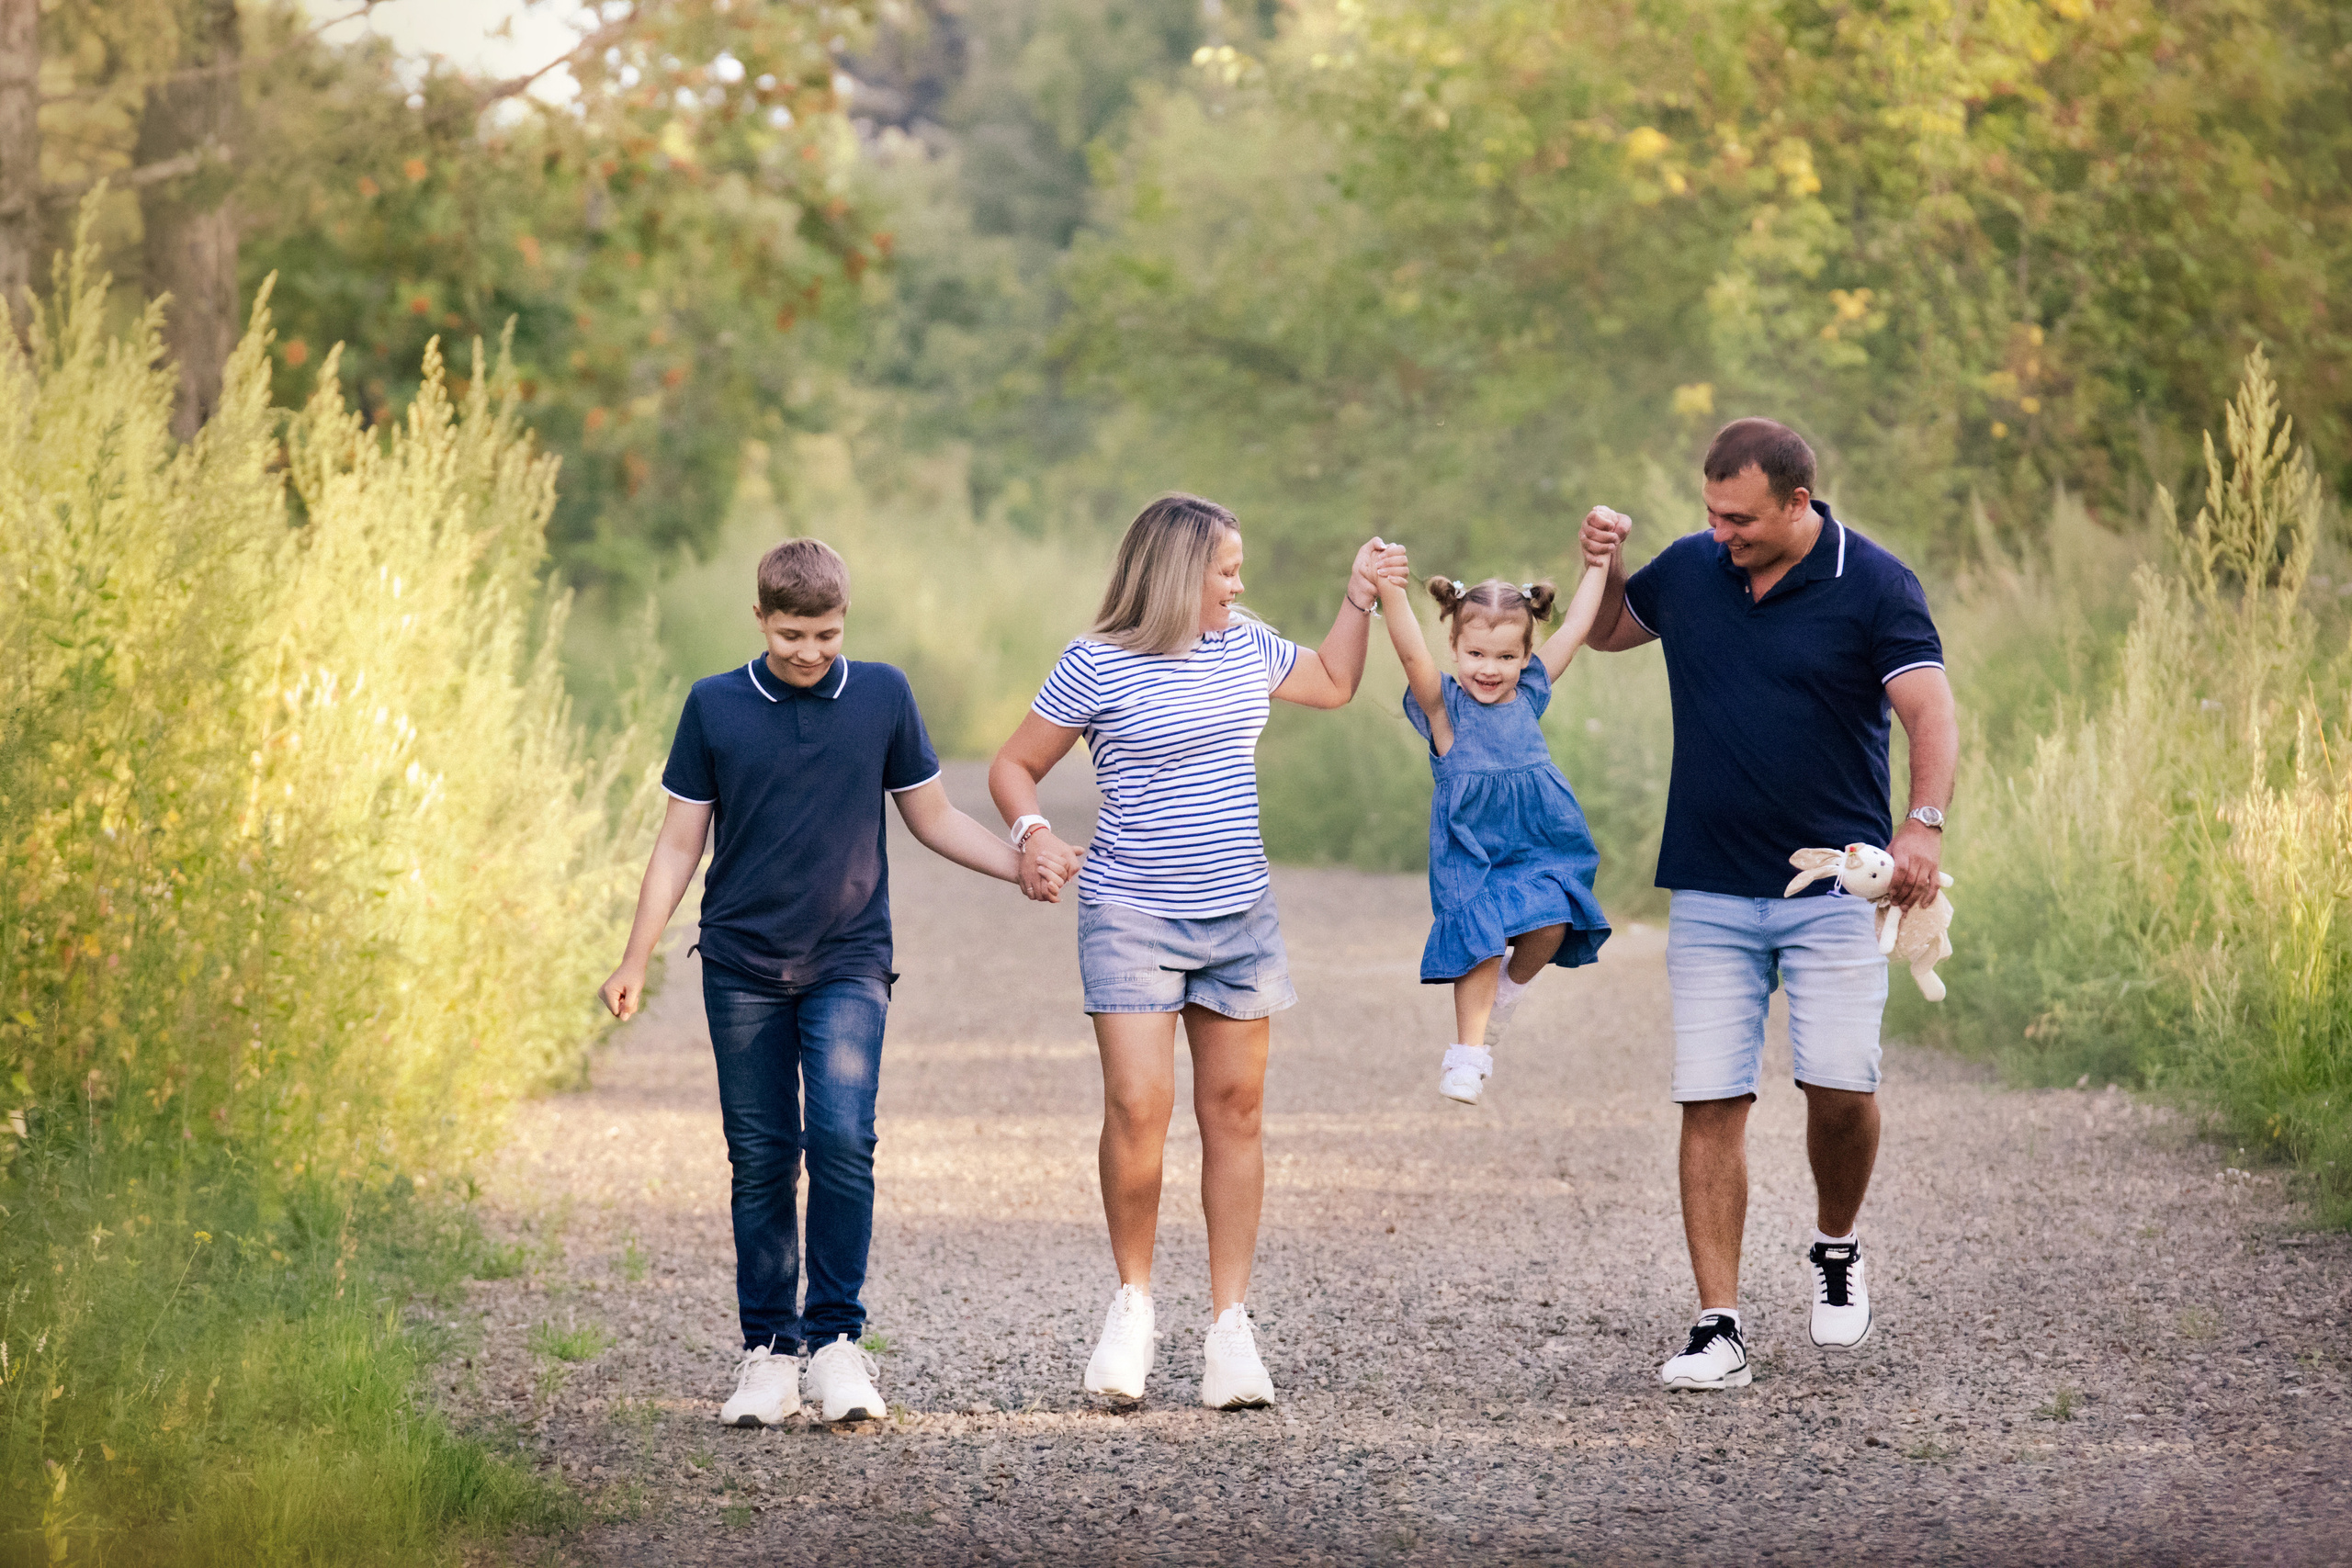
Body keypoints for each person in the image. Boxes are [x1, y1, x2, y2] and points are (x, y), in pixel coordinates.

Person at [597, 538, 1078, 1429]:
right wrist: (635, 956)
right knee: (762, 1157)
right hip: (740, 963)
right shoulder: (715, 706)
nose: (809, 652)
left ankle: (835, 1346)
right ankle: (768, 1355)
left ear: (844, 619)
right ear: (759, 620)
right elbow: (677, 843)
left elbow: (932, 817)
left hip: (849, 959)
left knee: (843, 1138)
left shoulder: (883, 696)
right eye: (790, 635)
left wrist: (1019, 863)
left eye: (824, 633)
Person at [989, 494, 1408, 1410]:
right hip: (1130, 914)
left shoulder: (1244, 645)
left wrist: (1359, 598)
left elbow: (1334, 683)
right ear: (1180, 574)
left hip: (1238, 919)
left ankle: (1229, 1329)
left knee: (1237, 1111)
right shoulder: (1094, 663)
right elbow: (1013, 765)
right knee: (1139, 1107)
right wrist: (1030, 834)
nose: (1238, 583)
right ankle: (1133, 1305)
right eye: (1226, 569)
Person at [1577, 420, 1957, 1392]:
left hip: (1834, 883)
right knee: (1710, 1097)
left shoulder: (1873, 583)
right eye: (1709, 513)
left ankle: (1835, 1246)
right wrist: (1601, 566)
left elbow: (1928, 711)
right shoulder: (1694, 567)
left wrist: (1921, 826)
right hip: (1707, 882)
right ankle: (1718, 1325)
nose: (1720, 533)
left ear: (1798, 502)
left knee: (1840, 1091)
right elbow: (1614, 628)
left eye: (1739, 518)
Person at [1373, 554, 1617, 1104]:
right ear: (1455, 649)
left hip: (1539, 840)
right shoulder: (1445, 710)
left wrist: (1597, 563)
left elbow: (1575, 627)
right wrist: (1390, 589)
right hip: (1473, 852)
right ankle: (1467, 1055)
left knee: (1552, 923)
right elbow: (1410, 647)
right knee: (1482, 942)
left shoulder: (1530, 694)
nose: (1490, 668)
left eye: (1507, 656)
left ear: (1526, 656)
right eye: (1476, 653)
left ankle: (1504, 996)